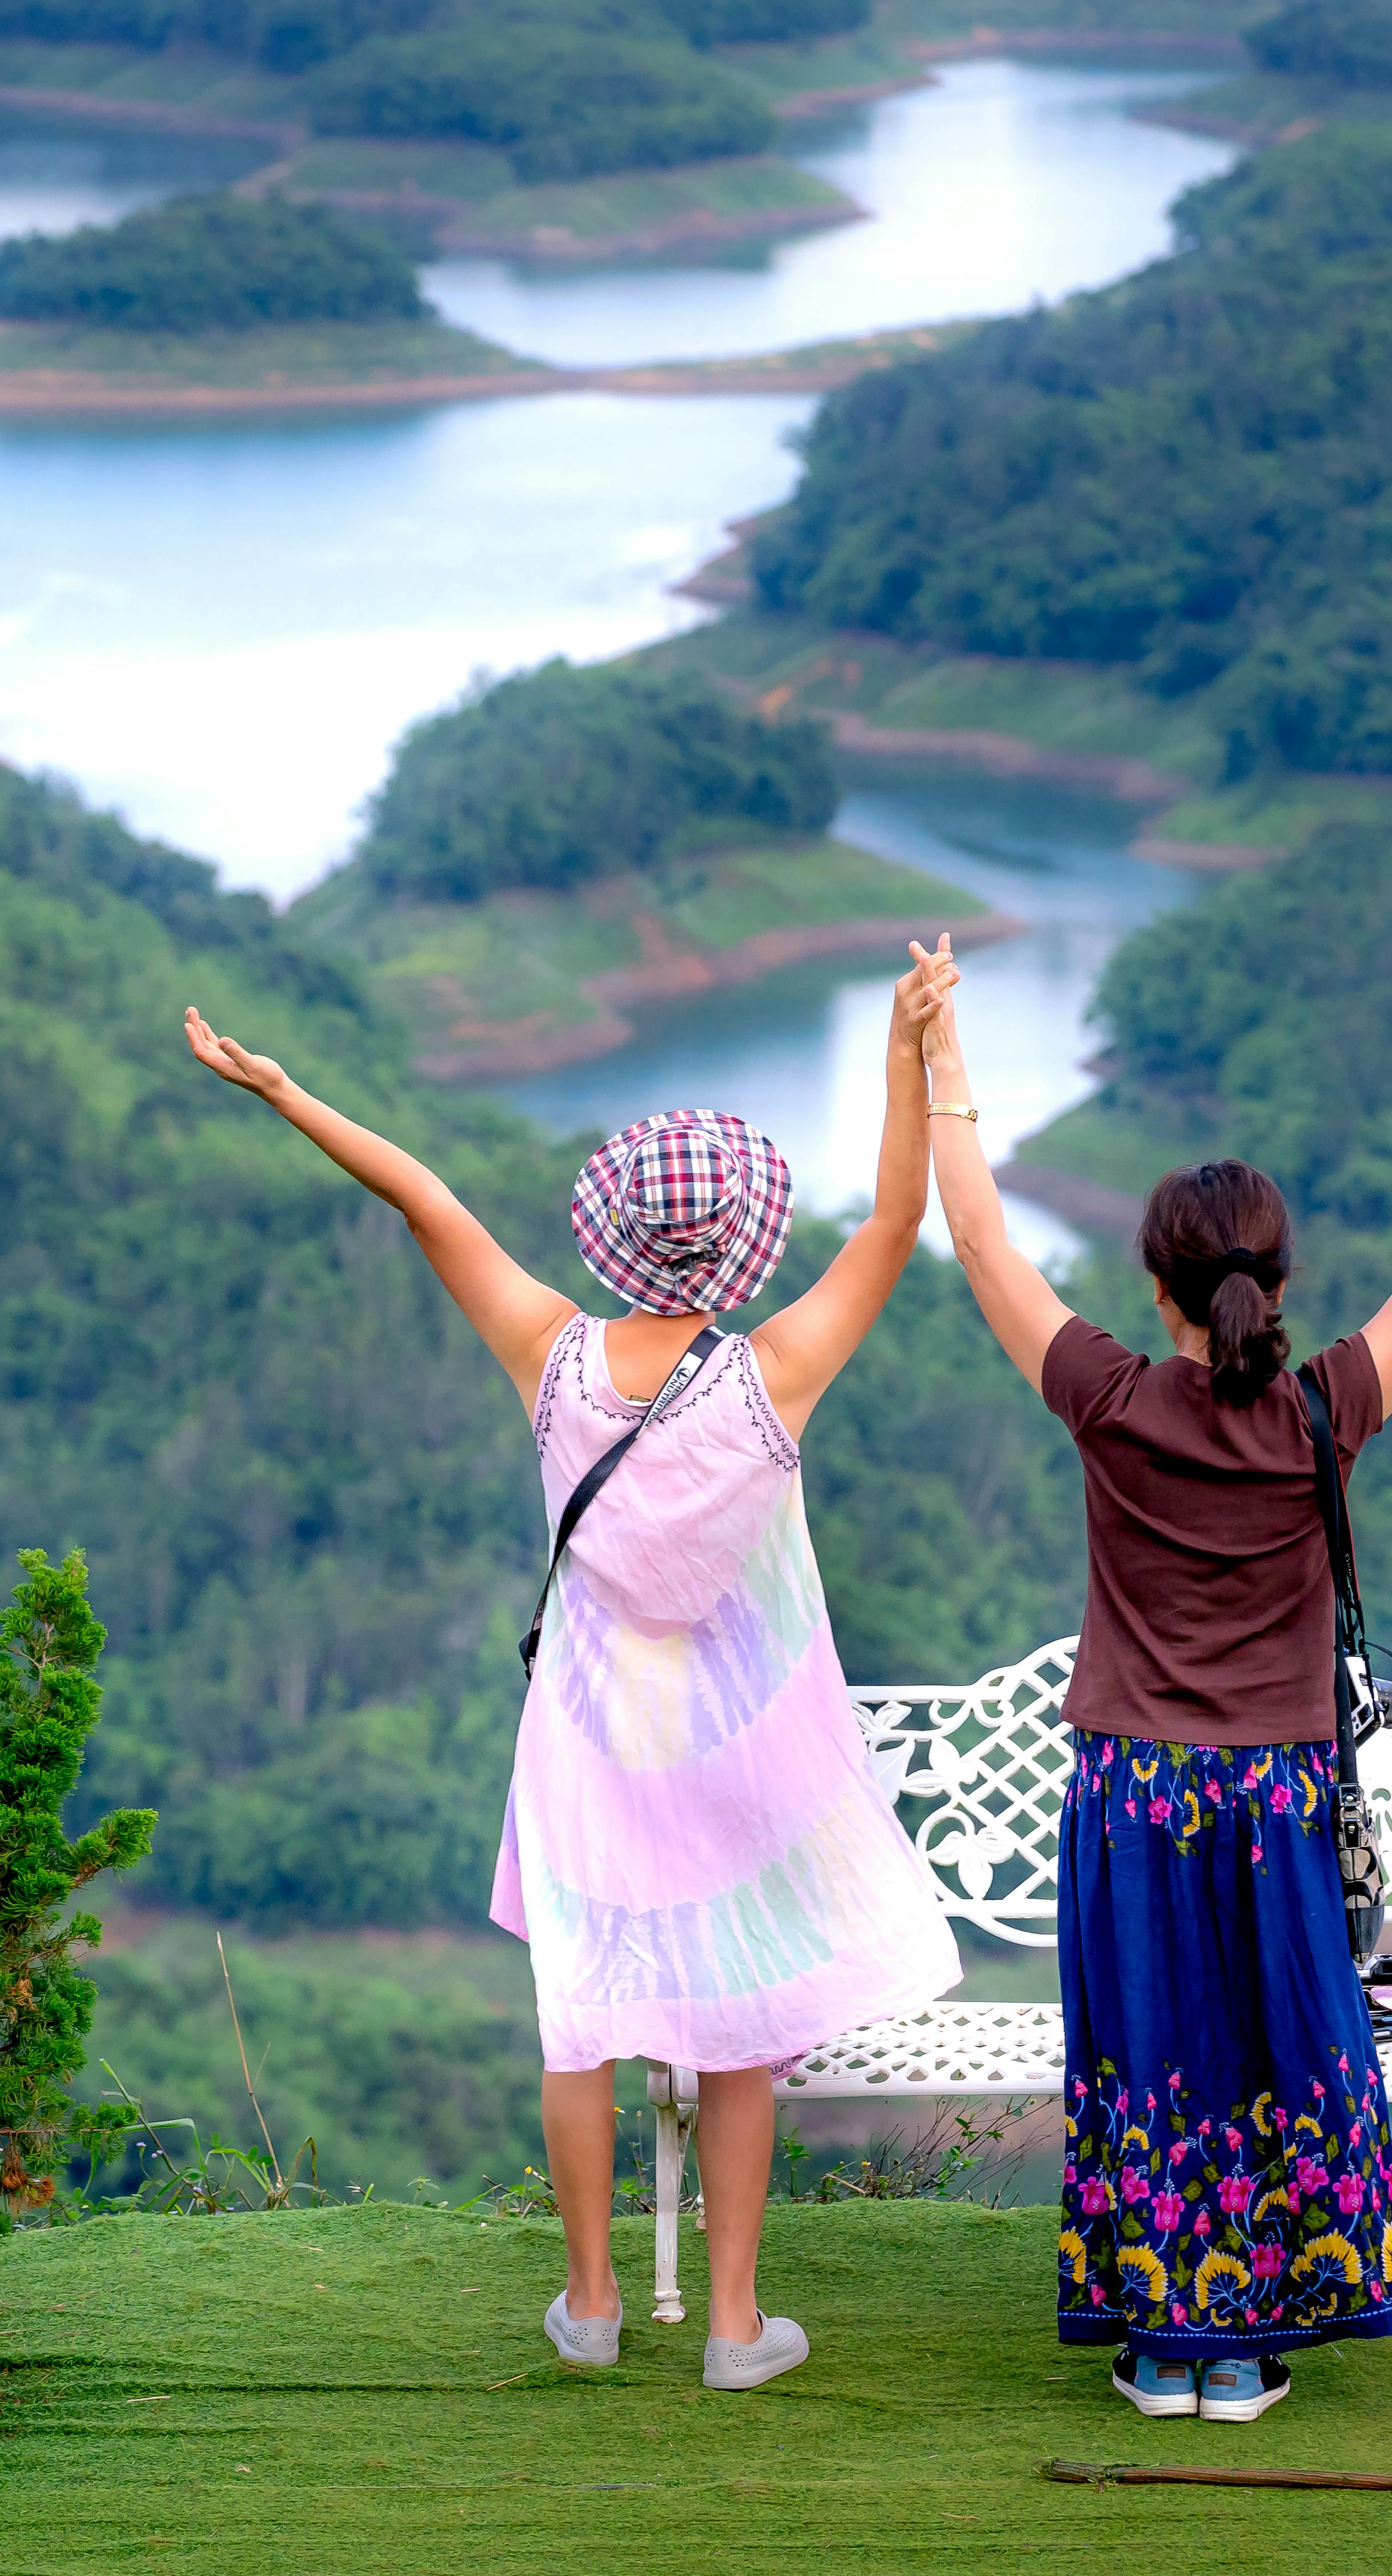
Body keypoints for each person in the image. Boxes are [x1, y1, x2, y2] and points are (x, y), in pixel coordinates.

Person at [179, 988, 961, 2392]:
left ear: (613, 1234)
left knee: (581, 2012)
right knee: (737, 2029)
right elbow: (897, 1224)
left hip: (591, 1741)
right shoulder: (773, 1371)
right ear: (737, 1248)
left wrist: (284, 1093)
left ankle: (592, 2301)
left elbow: (425, 1198)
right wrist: (911, 1050)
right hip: (734, 1750)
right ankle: (731, 2327)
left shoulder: (552, 1358)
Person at [911, 939, 1392, 2424]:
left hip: (1132, 1788)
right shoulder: (1326, 1412)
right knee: (1272, 2045)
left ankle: (1163, 2341)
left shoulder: (1112, 1402)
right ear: (1280, 1277)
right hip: (1280, 1789)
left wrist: (942, 1056)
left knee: (1154, 2052)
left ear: (1157, 1279)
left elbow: (986, 1246)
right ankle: (1251, 2345)